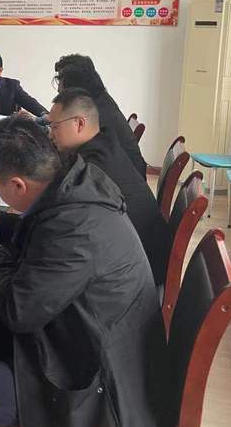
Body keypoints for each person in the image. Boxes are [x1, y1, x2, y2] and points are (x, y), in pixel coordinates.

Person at [0, 117, 167, 427]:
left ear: (18, 185)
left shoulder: (76, 227)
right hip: (85, 339)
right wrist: (4, 223)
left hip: (98, 383)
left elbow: (19, 310)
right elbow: (49, 241)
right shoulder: (74, 184)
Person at [49, 88, 171, 286]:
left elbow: (59, 219)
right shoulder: (103, 142)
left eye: (55, 126)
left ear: (79, 123)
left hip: (138, 272)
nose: (50, 134)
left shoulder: (92, 167)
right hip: (140, 256)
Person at [54, 54, 148, 179]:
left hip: (117, 185)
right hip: (126, 178)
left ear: (74, 86)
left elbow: (72, 159)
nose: (58, 89)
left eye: (60, 81)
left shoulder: (93, 115)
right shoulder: (100, 100)